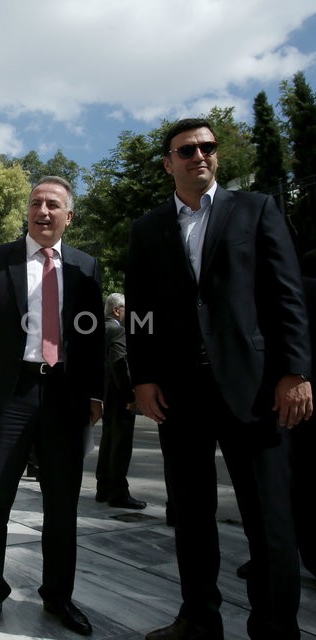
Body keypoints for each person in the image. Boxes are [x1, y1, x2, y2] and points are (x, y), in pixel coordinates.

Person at [126, 118, 310, 640]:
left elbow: (287, 295)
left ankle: (276, 628)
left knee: (269, 520)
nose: (199, 156)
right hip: (180, 394)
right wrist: (143, 378)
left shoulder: (256, 210)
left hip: (255, 388)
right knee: (190, 514)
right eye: (187, 150)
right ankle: (198, 619)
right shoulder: (148, 228)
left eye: (207, 147)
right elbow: (140, 311)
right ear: (169, 162)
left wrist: (295, 371)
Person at [0, 176, 103, 637]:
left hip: (65, 397)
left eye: (53, 205)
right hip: (9, 394)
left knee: (62, 507)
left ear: (68, 215)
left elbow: (94, 336)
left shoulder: (85, 266)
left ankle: (59, 597)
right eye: (37, 203)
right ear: (28, 210)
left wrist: (97, 393)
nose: (43, 211)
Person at [94, 293, 146, 509]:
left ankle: (103, 487)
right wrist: (131, 396)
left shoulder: (101, 329)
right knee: (120, 445)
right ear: (117, 310)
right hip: (118, 395)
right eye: (126, 309)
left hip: (106, 394)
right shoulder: (117, 330)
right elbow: (119, 365)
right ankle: (117, 493)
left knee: (108, 441)